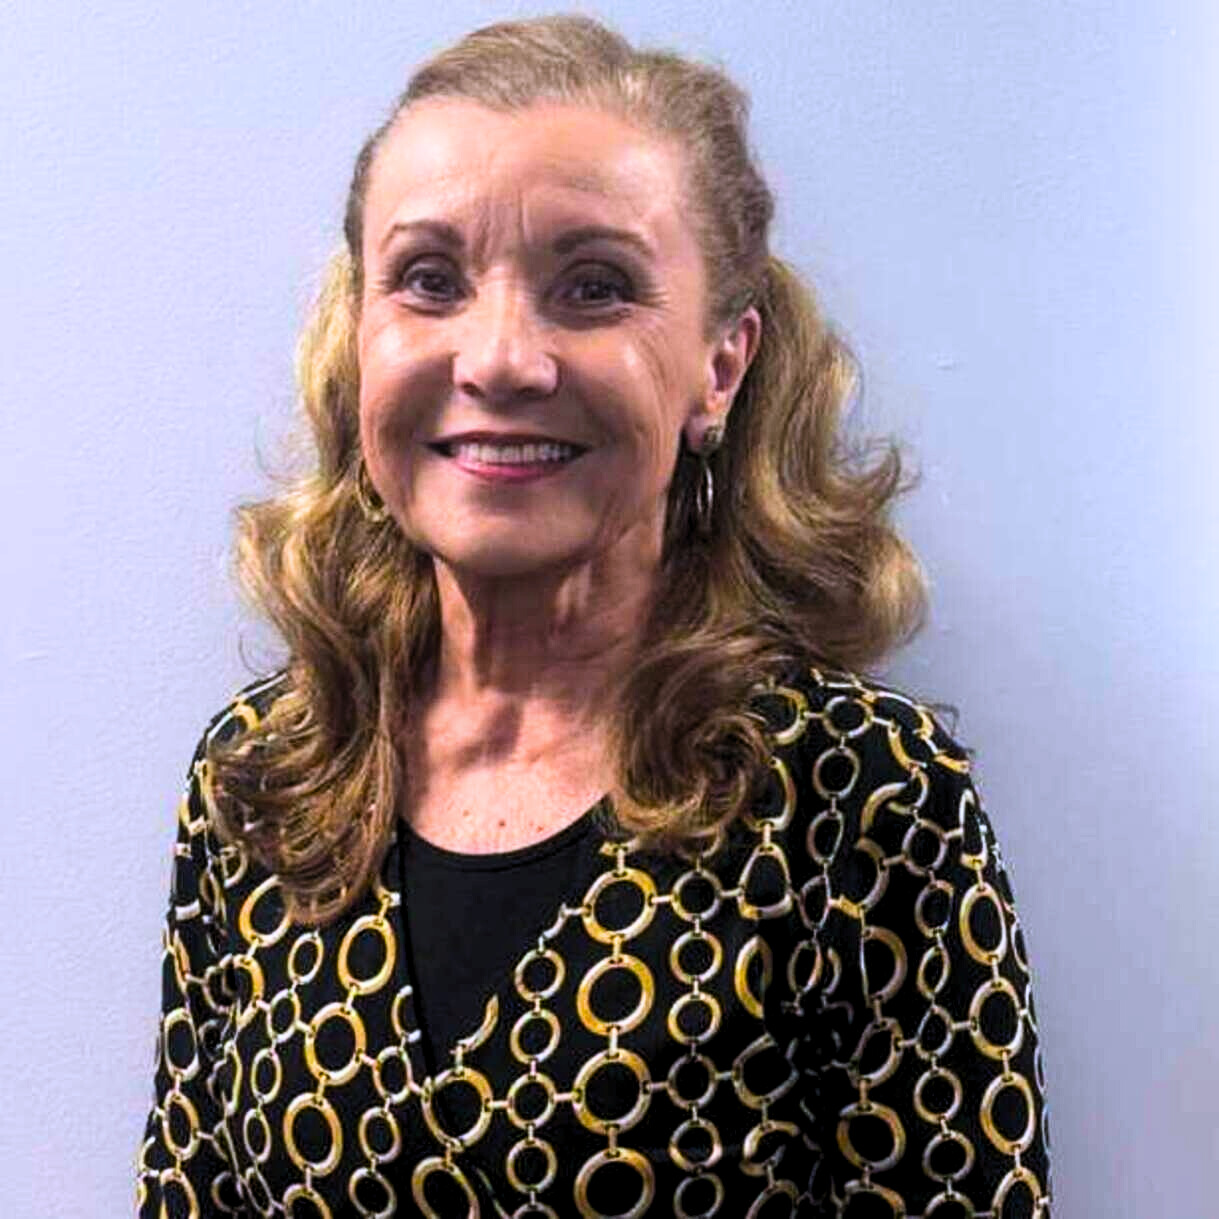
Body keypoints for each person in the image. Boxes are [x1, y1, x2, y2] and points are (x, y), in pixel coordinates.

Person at [136, 14, 1051, 1218]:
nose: (500, 359)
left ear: (719, 367)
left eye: (594, 287)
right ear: (361, 340)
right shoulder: (264, 776)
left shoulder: (858, 798)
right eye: (428, 281)